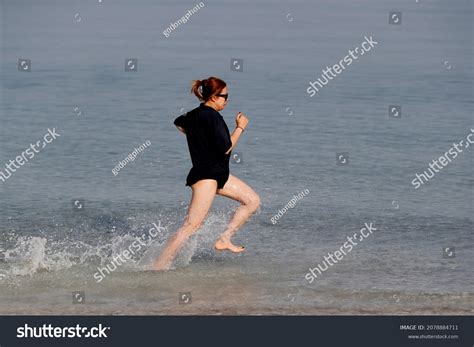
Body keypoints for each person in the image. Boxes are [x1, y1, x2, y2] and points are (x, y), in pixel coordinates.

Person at [153, 77, 261, 270]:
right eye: (224, 96)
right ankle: (158, 267)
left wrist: (198, 137)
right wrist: (240, 127)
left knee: (252, 201)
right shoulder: (213, 117)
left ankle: (224, 239)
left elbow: (178, 123)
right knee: (190, 226)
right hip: (206, 177)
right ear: (212, 97)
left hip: (217, 175)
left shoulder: (195, 115)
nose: (227, 100)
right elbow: (226, 148)